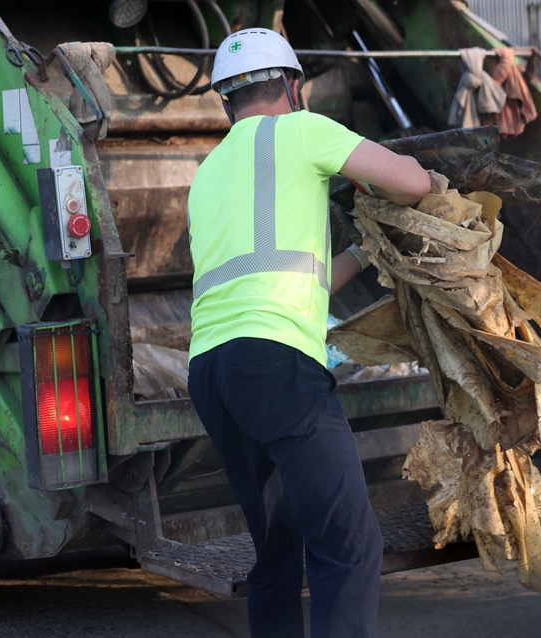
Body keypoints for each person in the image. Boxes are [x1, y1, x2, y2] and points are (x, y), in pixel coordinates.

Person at [185, 28, 431, 637]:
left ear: (226, 102)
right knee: (347, 543)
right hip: (277, 368)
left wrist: (364, 251)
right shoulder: (303, 130)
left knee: (277, 547)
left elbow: (288, 278)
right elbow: (414, 182)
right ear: (294, 87)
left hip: (213, 375)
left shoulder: (208, 172)